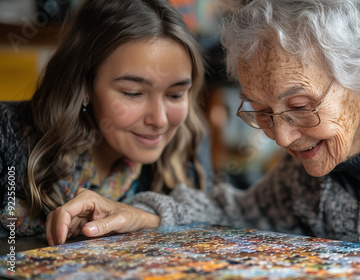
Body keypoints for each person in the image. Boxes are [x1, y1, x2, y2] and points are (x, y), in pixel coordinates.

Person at [46, 0, 360, 261]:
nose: (281, 138)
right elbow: (243, 212)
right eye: (261, 112)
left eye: (299, 107)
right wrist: (139, 213)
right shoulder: (319, 156)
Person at [0, 0, 212, 245]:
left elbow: (216, 219)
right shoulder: (6, 134)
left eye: (175, 94)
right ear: (85, 86)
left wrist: (146, 216)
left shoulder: (188, 139)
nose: (160, 120)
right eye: (133, 93)